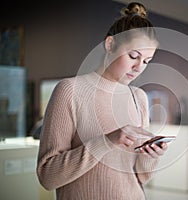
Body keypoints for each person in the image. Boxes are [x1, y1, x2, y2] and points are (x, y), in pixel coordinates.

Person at [36, 2, 168, 200]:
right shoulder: (69, 91)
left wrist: (151, 156)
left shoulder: (138, 97)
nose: (139, 67)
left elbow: (140, 177)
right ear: (110, 44)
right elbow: (48, 176)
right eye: (134, 56)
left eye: (146, 61)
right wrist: (107, 141)